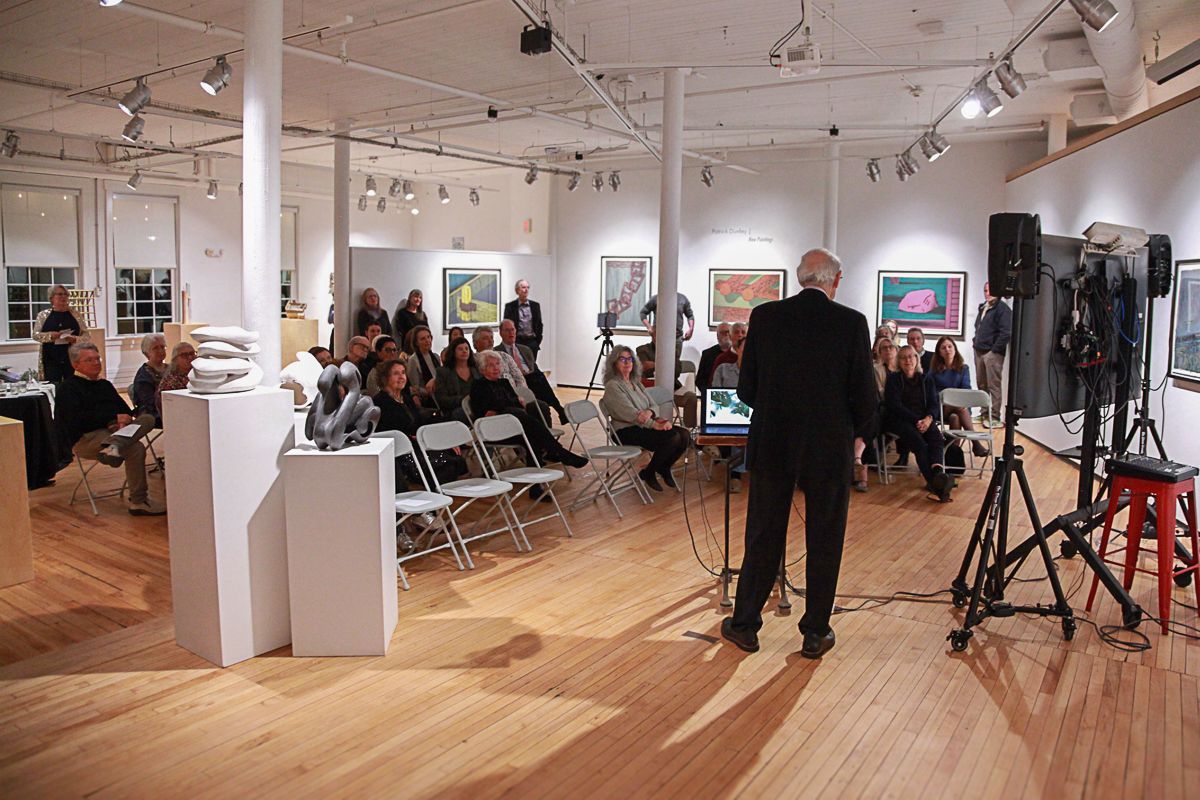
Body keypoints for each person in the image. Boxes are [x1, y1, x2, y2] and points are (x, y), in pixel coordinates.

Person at [722, 248, 876, 660]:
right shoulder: (851, 323)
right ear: (835, 281)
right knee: (825, 537)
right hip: (828, 447)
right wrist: (859, 438)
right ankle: (815, 631)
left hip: (773, 441)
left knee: (763, 533)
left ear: (800, 278)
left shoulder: (765, 317)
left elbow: (745, 390)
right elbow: (865, 394)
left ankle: (745, 625)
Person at [57, 342, 163, 516]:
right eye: (89, 360)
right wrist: (109, 420)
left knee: (148, 419)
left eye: (97, 358)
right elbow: (75, 421)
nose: (96, 363)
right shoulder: (68, 388)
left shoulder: (104, 385)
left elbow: (124, 410)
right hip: (86, 438)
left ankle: (114, 447)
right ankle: (138, 499)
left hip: (114, 434)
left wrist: (122, 420)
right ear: (76, 365)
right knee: (136, 448)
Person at [470, 351, 586, 469]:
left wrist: (505, 406)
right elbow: (486, 411)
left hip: (514, 426)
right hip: (493, 429)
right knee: (516, 414)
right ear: (483, 369)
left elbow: (513, 404)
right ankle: (559, 452)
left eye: (498, 364)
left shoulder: (504, 382)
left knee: (530, 434)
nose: (496, 367)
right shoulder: (478, 386)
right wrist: (506, 405)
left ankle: (537, 479)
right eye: (491, 365)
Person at [602, 345, 690, 493]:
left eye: (629, 359)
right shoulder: (613, 386)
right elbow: (630, 414)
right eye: (622, 359)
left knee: (685, 435)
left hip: (643, 426)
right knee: (672, 438)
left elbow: (654, 405)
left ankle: (662, 467)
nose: (627, 362)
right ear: (614, 363)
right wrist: (653, 424)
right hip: (625, 431)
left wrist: (649, 412)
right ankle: (649, 472)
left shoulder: (635, 382)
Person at [885, 345, 955, 503]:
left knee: (936, 439)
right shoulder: (894, 379)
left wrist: (929, 418)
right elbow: (895, 405)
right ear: (898, 361)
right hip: (901, 420)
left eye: (911, 356)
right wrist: (917, 420)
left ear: (917, 359)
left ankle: (937, 472)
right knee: (919, 443)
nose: (908, 360)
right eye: (903, 357)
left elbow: (933, 403)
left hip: (924, 419)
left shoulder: (926, 379)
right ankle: (936, 484)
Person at [497, 319, 569, 425]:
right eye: (507, 330)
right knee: (538, 378)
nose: (511, 333)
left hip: (532, 380)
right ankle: (558, 408)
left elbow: (533, 367)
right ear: (501, 333)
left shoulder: (525, 349)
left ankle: (555, 411)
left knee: (538, 376)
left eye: (512, 330)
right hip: (516, 382)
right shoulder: (498, 352)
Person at [929, 336, 989, 458]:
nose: (947, 349)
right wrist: (949, 397)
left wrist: (956, 397)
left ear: (955, 349)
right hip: (941, 407)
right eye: (943, 347)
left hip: (961, 408)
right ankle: (976, 444)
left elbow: (966, 388)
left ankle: (952, 455)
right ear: (939, 352)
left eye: (950, 346)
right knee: (958, 407)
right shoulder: (934, 370)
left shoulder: (963, 368)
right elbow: (931, 392)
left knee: (955, 417)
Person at [972, 281, 1011, 427]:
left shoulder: (1002, 309)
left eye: (990, 290)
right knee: (982, 384)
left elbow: (1005, 333)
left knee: (993, 385)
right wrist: (975, 342)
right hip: (979, 351)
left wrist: (993, 351)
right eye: (985, 290)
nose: (987, 293)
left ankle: (994, 416)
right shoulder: (984, 307)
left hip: (992, 353)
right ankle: (984, 414)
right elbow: (978, 327)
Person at [31, 284, 89, 383]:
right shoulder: (43, 315)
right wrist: (50, 336)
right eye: (60, 294)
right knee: (53, 384)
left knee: (72, 384)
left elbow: (86, 335)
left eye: (65, 294)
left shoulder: (76, 314)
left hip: (71, 356)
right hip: (51, 357)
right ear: (51, 298)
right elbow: (36, 335)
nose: (63, 297)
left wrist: (75, 339)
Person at [433, 337, 478, 421]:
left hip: (477, 405)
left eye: (466, 348)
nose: (464, 351)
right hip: (456, 409)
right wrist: (463, 399)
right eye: (460, 349)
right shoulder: (443, 372)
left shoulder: (476, 369)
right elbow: (442, 399)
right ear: (453, 352)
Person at [131, 333, 167, 424]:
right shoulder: (143, 376)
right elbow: (149, 403)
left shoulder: (171, 368)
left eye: (162, 347)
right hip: (154, 413)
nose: (161, 351)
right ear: (147, 353)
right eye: (156, 348)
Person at [502, 279, 544, 358]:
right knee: (518, 365)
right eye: (523, 287)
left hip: (532, 341)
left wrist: (537, 340)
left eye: (528, 287)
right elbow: (506, 325)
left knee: (532, 366)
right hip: (517, 341)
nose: (526, 290)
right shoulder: (510, 306)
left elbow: (539, 324)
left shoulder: (535, 306)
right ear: (517, 290)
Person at [155, 342, 196, 418]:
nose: (190, 357)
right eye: (185, 355)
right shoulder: (170, 382)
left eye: (192, 353)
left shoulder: (198, 374)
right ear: (175, 359)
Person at [405, 325, 441, 402]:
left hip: (440, 394)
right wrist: (430, 391)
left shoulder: (436, 356)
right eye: (423, 339)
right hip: (426, 398)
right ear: (416, 343)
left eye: (428, 337)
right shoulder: (413, 360)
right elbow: (415, 387)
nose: (427, 340)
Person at [696, 322, 732, 392]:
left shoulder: (739, 354)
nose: (727, 335)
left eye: (728, 332)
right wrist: (708, 393)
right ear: (717, 336)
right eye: (723, 333)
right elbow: (700, 380)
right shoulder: (707, 354)